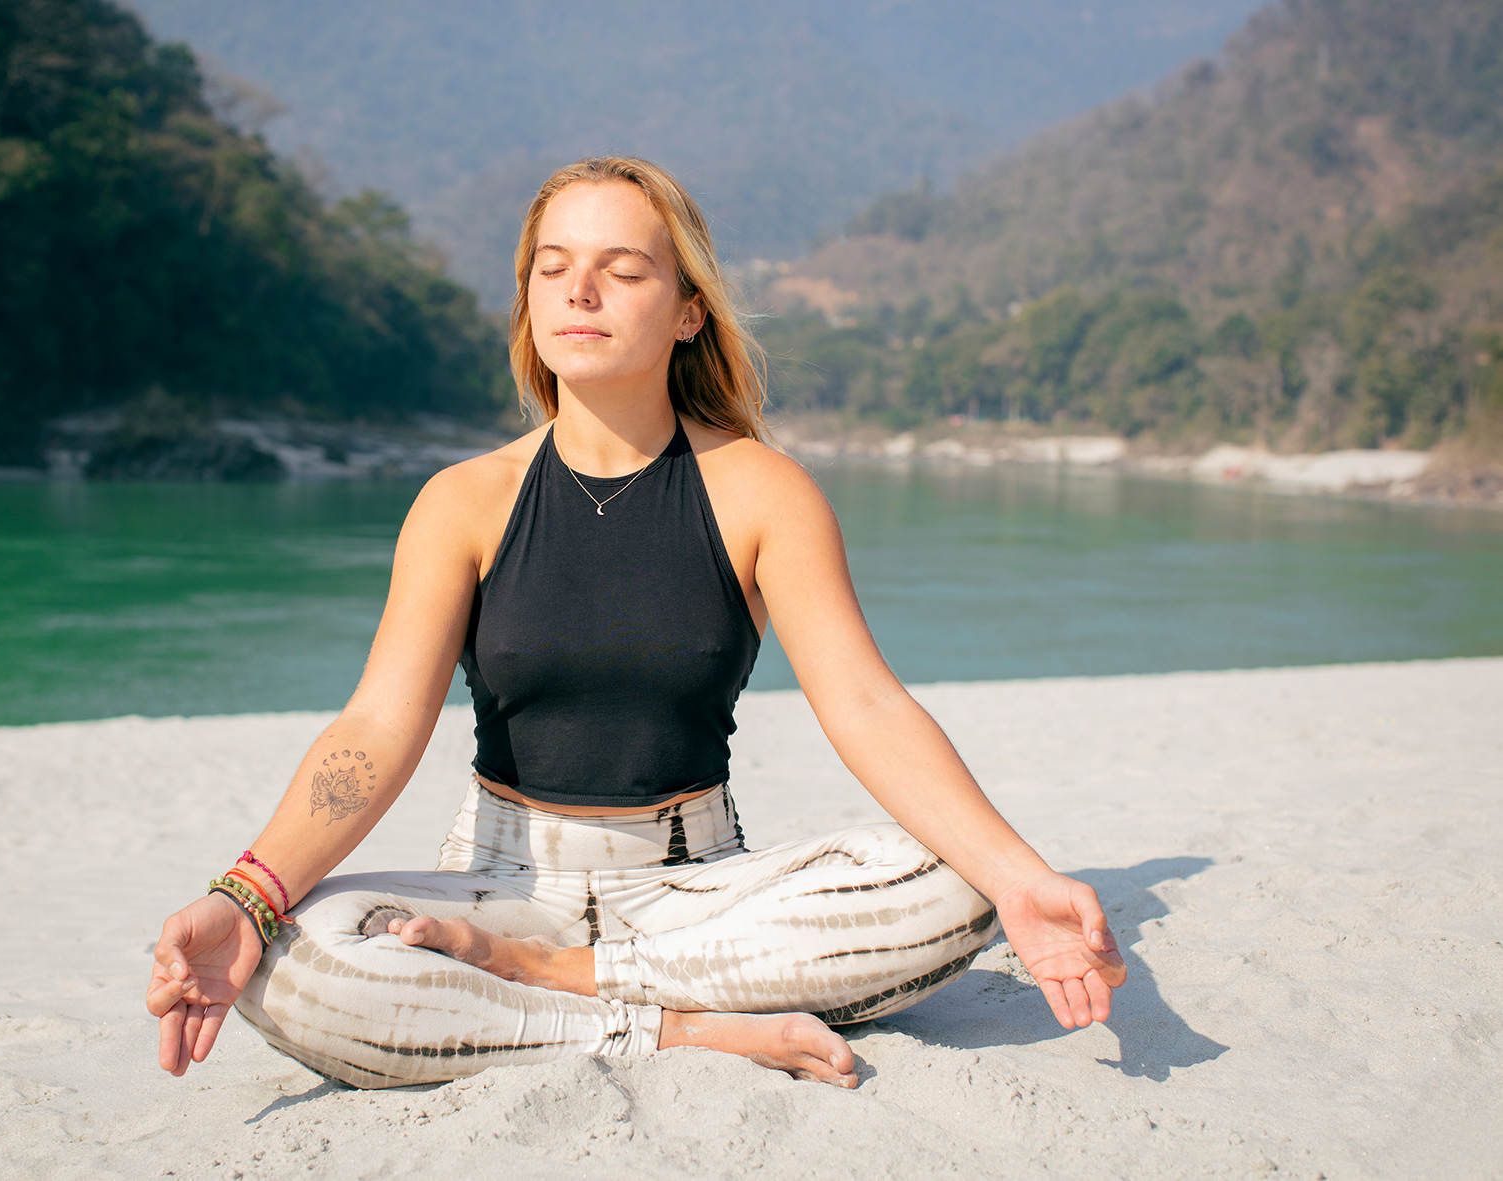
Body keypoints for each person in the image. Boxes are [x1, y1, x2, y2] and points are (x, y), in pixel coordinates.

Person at [146, 157, 1127, 1090]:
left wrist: (1017, 877)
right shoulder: (462, 501)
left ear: (689, 310)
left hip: (693, 888)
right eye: (553, 268)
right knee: (287, 959)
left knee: (955, 882)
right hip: (502, 880)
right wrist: (245, 894)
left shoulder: (761, 491)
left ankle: (553, 983)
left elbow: (865, 703)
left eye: (621, 271)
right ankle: (676, 1025)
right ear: (528, 300)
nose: (580, 293)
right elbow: (375, 726)